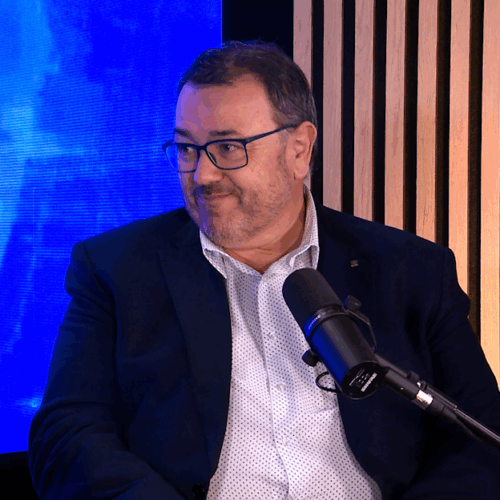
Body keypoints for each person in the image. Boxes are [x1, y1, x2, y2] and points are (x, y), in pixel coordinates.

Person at [28, 41, 500, 500]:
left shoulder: (410, 270)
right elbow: (66, 436)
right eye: (187, 148)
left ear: (299, 150)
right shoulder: (116, 269)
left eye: (228, 147)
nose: (202, 175)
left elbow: (481, 436)